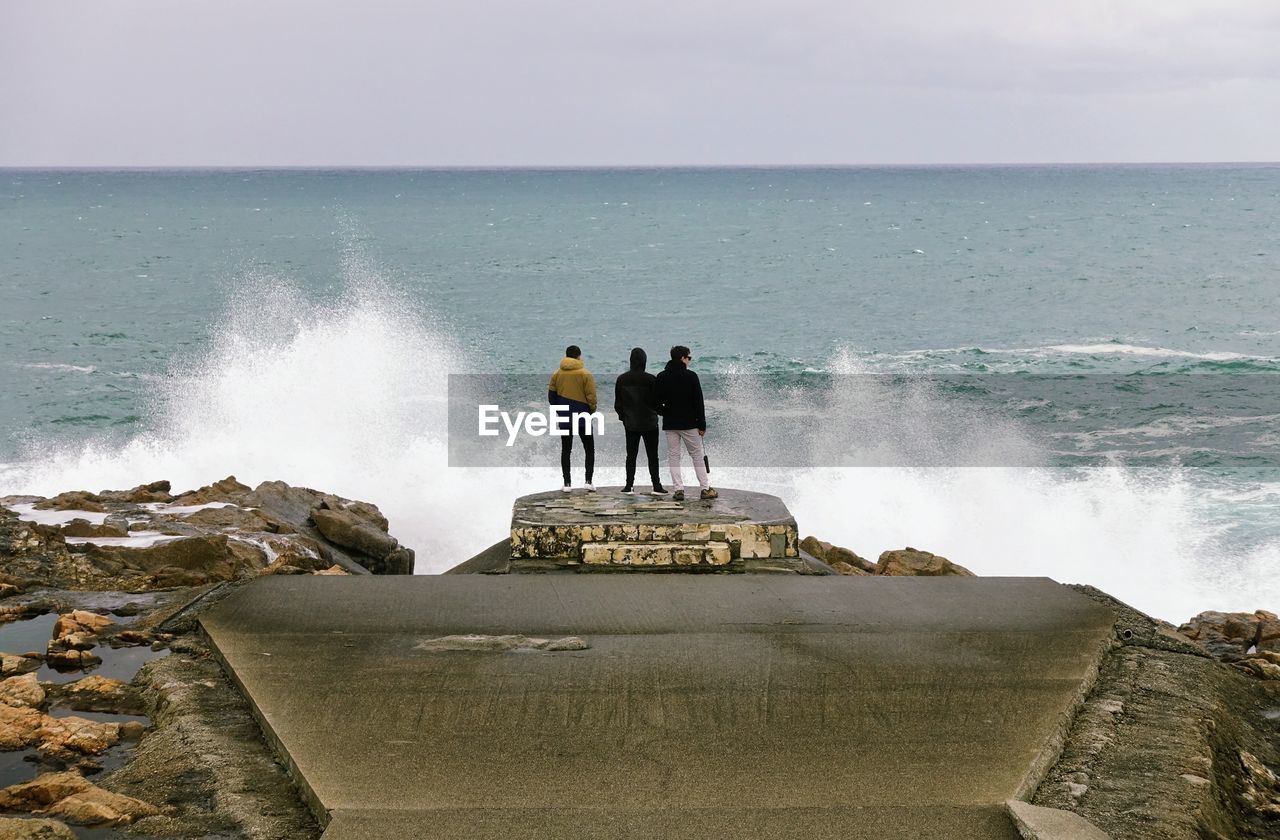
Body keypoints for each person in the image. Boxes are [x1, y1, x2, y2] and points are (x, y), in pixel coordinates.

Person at [655, 345, 718, 501]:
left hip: (670, 424)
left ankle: (679, 490)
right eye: (688, 358)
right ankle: (704, 488)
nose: (689, 360)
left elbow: (655, 401)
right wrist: (702, 425)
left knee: (674, 456)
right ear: (682, 358)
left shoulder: (662, 376)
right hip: (690, 423)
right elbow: (698, 402)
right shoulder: (691, 376)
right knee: (697, 455)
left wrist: (665, 412)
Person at [614, 347, 667, 495]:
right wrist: (659, 413)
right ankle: (656, 486)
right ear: (644, 361)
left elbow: (618, 404)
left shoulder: (622, 379)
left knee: (631, 455)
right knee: (652, 455)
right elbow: (658, 402)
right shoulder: (651, 379)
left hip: (630, 424)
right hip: (650, 423)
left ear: (631, 361)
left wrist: (624, 418)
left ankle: (629, 486)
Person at [548, 345, 597, 492]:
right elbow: (592, 397)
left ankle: (567, 484)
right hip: (583, 417)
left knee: (566, 450)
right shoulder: (585, 374)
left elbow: (551, 397)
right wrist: (591, 411)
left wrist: (561, 411)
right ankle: (588, 481)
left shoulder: (556, 374)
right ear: (578, 356)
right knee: (589, 449)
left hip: (565, 418)